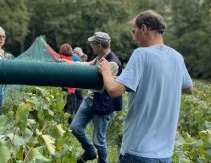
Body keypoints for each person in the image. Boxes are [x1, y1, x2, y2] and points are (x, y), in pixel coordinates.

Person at [98, 10, 194, 162]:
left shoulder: (141, 54)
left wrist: (106, 71)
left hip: (137, 152)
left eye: (134, 31)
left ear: (144, 29)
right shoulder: (177, 57)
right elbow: (189, 88)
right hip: (164, 155)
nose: (133, 37)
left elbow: (114, 90)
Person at [70, 32, 123, 163]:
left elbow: (108, 86)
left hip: (103, 103)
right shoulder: (100, 56)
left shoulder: (113, 63)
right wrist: (69, 63)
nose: (91, 45)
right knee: (75, 128)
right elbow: (89, 65)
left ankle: (103, 161)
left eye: (93, 44)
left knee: (99, 141)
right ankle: (90, 151)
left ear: (100, 45)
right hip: (90, 99)